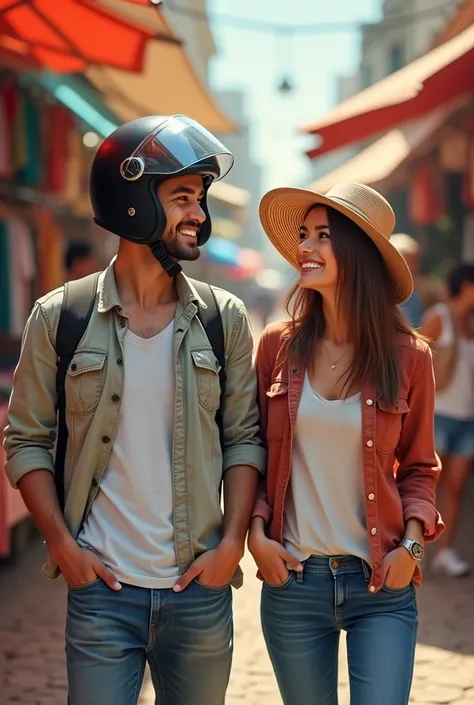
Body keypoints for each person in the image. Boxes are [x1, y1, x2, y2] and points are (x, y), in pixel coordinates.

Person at [3, 115, 265, 705]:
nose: (198, 213)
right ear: (131, 202)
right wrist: (62, 547)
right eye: (181, 199)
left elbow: (244, 439)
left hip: (199, 589)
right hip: (100, 592)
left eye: (199, 199)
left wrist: (230, 548)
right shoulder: (58, 315)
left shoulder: (224, 320)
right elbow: (25, 441)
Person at [248, 182, 444, 705]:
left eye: (323, 236)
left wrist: (413, 546)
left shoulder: (409, 358)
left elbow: (421, 467)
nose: (304, 248)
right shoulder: (277, 346)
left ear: (357, 252)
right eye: (303, 235)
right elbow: (252, 454)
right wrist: (256, 533)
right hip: (294, 581)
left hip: (380, 583)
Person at [421, 262, 474, 577]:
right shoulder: (438, 317)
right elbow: (414, 363)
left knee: (455, 488)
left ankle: (445, 552)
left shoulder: (472, 322)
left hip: (467, 420)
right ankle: (411, 547)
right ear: (466, 285)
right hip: (437, 415)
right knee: (425, 486)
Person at [391, 232, 423, 328]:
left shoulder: (417, 296)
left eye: (415, 262)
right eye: (409, 262)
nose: (414, 268)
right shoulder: (381, 294)